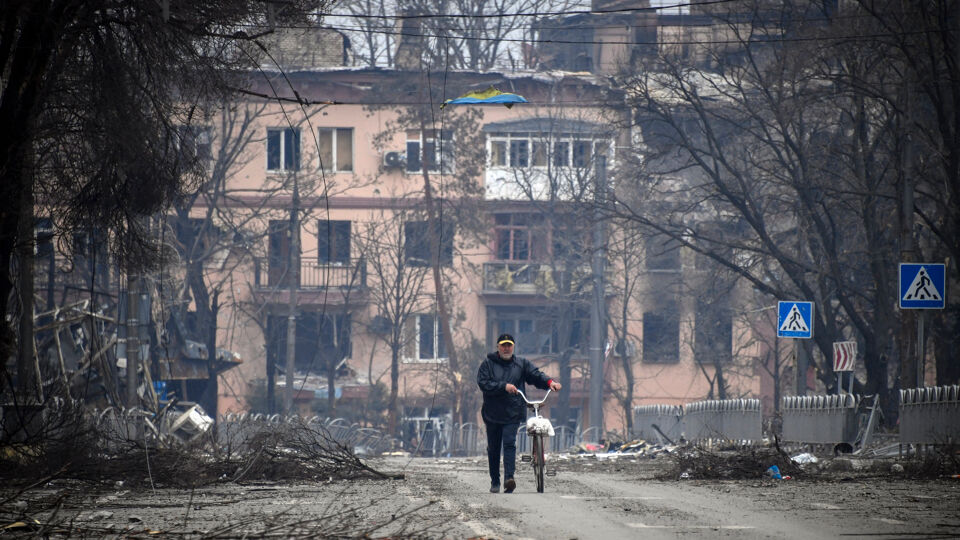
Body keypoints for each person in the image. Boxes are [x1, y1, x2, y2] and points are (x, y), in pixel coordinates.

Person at [476, 333, 562, 493]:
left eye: (509, 345)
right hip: (492, 413)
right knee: (494, 448)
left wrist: (550, 382)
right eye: (503, 345)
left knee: (509, 444)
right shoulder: (487, 364)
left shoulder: (521, 364)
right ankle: (495, 481)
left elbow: (536, 375)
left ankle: (509, 478)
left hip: (513, 412)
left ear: (513, 347)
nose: (506, 348)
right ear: (498, 347)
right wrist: (503, 386)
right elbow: (483, 383)